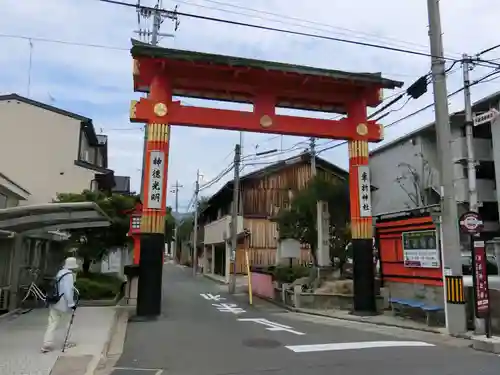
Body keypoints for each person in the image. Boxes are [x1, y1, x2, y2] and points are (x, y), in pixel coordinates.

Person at [41, 257, 79, 353]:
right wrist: (71, 304)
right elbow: (68, 291)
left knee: (52, 322)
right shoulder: (69, 275)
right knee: (68, 321)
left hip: (55, 301)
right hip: (63, 303)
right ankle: (67, 341)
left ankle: (47, 344)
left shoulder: (60, 272)